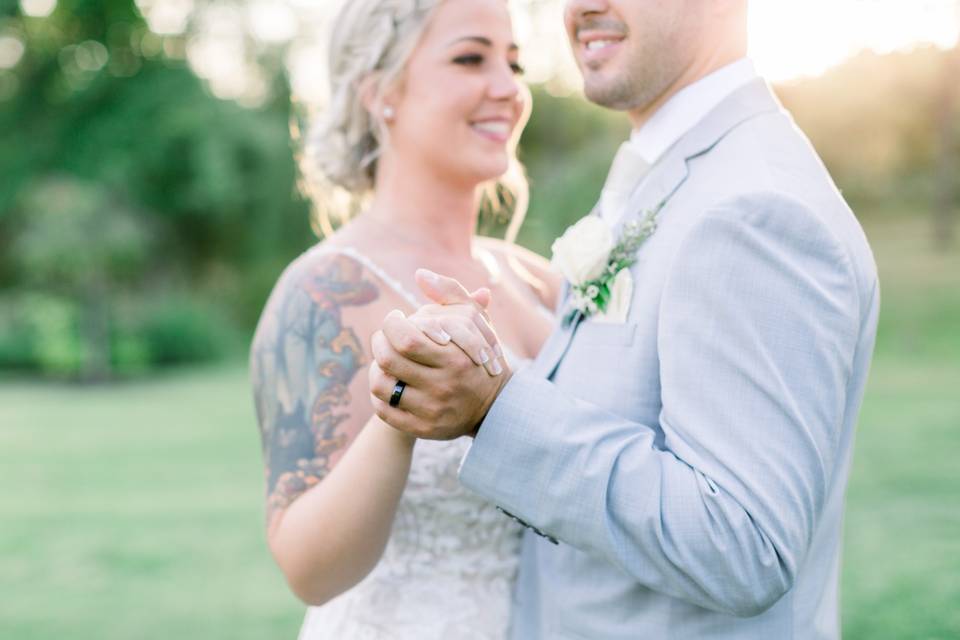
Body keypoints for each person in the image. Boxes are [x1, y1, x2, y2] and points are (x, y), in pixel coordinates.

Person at [370, 0, 880, 638]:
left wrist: (494, 409)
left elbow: (742, 545)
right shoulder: (673, 175)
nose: (579, 8)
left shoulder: (753, 207)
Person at [248, 0, 559, 637]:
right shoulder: (326, 291)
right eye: (471, 57)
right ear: (380, 91)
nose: (507, 89)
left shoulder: (540, 281)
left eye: (515, 62)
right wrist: (403, 411)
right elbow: (309, 569)